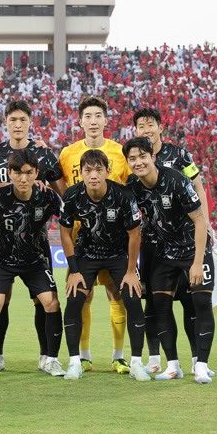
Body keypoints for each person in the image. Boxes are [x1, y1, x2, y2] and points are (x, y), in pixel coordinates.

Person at [0, 100, 65, 370]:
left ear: (30, 122)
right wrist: (11, 184)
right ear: (5, 122)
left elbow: (61, 190)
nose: (18, 125)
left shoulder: (43, 153)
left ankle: (47, 357)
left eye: (23, 120)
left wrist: (43, 187)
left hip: (36, 247)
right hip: (3, 246)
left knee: (44, 302)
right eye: (13, 120)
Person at [124, 137, 216, 384]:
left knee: (201, 302)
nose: (138, 162)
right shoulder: (132, 185)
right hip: (165, 253)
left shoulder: (176, 180)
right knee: (160, 306)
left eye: (143, 156)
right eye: (132, 158)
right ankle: (173, 365)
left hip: (192, 250)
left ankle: (202, 366)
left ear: (153, 157)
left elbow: (199, 220)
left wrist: (197, 262)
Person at [58, 149, 148, 381]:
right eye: (88, 170)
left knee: (131, 296)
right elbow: (65, 232)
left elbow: (135, 234)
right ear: (82, 174)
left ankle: (136, 362)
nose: (94, 175)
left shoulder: (123, 195)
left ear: (108, 171)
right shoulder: (72, 195)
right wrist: (74, 270)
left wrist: (130, 271)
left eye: (99, 170)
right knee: (74, 298)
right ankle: (75, 362)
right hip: (87, 254)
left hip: (118, 254)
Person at [57, 95, 132, 373]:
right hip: (80, 239)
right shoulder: (67, 154)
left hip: (115, 239)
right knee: (81, 295)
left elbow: (129, 189)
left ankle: (118, 356)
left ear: (105, 120)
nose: (92, 121)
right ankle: (84, 356)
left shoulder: (120, 152)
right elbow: (61, 184)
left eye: (97, 115)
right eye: (87, 116)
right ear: (80, 121)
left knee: (118, 294)